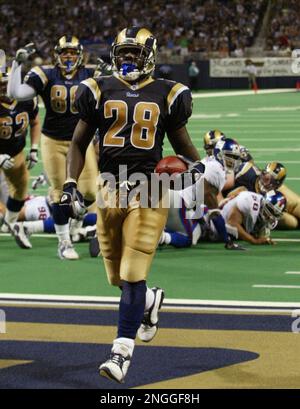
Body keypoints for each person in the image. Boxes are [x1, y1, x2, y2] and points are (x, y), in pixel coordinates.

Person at [60, 27, 201, 384]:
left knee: (133, 272)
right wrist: (71, 183)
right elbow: (77, 143)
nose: (126, 60)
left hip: (149, 187)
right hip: (109, 188)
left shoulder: (169, 93)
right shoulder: (97, 89)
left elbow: (188, 154)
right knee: (117, 278)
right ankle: (150, 300)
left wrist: (189, 173)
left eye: (134, 54)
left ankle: (121, 352)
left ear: (150, 56)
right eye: (122, 53)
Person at [8, 37, 98, 259]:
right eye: (65, 53)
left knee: (90, 192)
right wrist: (16, 65)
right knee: (60, 193)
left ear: (80, 54)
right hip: (54, 140)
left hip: (81, 140)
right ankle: (64, 243)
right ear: (57, 54)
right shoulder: (46, 74)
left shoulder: (89, 74)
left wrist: (111, 74)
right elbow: (16, 94)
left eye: (72, 52)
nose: (68, 57)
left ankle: (75, 223)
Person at [0, 51, 41, 249]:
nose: (3, 88)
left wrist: (34, 148)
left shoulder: (26, 99)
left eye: (4, 83)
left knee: (21, 191)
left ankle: (10, 224)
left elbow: (34, 122)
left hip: (15, 152)